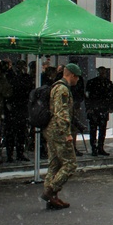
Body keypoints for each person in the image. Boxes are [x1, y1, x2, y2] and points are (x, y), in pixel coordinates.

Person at [41, 63, 82, 209]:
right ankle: (50, 191)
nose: (78, 80)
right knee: (70, 164)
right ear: (72, 75)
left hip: (52, 130)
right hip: (58, 131)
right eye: (77, 77)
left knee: (54, 164)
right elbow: (61, 113)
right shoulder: (62, 89)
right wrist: (67, 133)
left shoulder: (56, 86)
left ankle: (52, 199)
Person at [86, 66, 113, 156]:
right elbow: (87, 97)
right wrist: (89, 108)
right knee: (94, 130)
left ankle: (100, 147)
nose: (102, 74)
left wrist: (111, 107)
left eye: (103, 72)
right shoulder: (92, 83)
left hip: (103, 109)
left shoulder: (108, 83)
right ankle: (94, 148)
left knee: (102, 130)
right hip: (95, 109)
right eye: (100, 72)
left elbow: (112, 96)